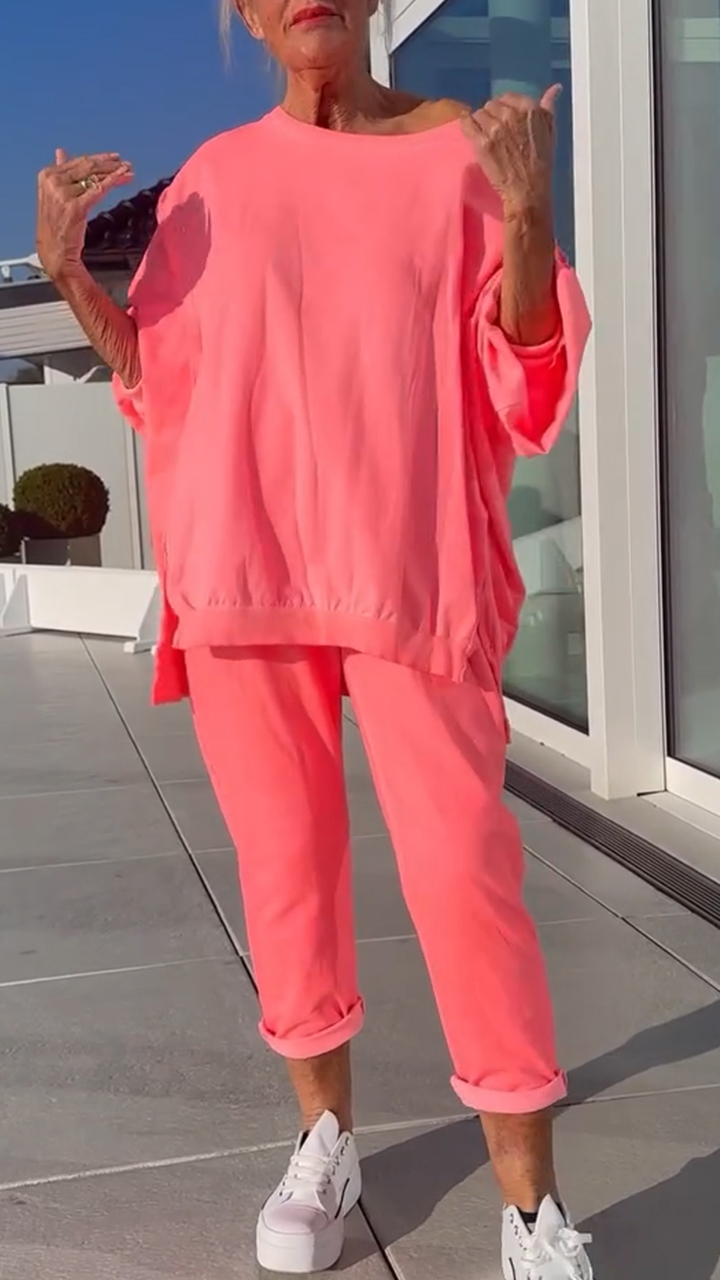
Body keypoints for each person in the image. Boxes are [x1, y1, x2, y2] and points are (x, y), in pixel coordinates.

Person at [35, 0, 593, 1273]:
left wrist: (524, 216)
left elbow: (525, 377)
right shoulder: (216, 179)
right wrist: (70, 275)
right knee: (286, 872)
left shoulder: (463, 152)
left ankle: (531, 1206)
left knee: (464, 877)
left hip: (409, 573)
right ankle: (324, 1139)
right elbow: (162, 379)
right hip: (248, 577)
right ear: (241, 10)